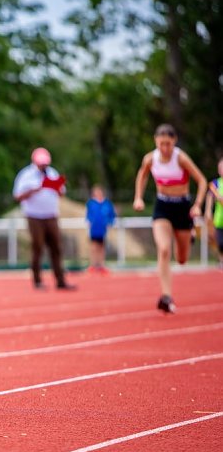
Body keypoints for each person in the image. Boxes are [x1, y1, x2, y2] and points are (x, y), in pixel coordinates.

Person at [133, 124, 207, 313]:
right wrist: (138, 197)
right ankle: (166, 296)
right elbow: (142, 175)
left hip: (182, 206)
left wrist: (197, 204)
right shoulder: (151, 158)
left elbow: (201, 180)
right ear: (155, 141)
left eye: (168, 144)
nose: (165, 148)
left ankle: (188, 235)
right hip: (162, 206)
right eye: (161, 144)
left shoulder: (180, 158)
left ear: (174, 141)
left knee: (181, 259)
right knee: (164, 249)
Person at [12, 147, 76, 291]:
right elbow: (17, 195)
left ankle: (60, 280)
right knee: (38, 247)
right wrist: (35, 189)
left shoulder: (52, 173)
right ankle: (37, 280)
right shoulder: (26, 175)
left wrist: (55, 186)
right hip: (34, 216)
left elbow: (61, 192)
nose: (43, 166)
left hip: (51, 215)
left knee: (56, 248)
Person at [85, 184, 117, 274]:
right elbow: (88, 215)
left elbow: (112, 215)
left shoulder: (107, 203)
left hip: (103, 229)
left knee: (101, 247)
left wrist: (110, 223)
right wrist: (89, 222)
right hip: (94, 228)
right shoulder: (91, 203)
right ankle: (93, 265)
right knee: (93, 247)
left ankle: (101, 265)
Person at [206, 156, 223, 270]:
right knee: (220, 243)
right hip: (219, 218)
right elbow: (209, 198)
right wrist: (207, 211)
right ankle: (221, 260)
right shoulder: (215, 184)